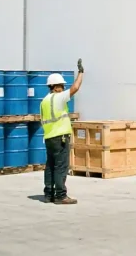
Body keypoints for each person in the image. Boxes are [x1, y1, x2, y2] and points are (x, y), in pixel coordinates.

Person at [41, 59, 84, 205]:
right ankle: (60, 195)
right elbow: (75, 88)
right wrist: (81, 73)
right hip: (61, 138)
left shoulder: (44, 101)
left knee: (50, 166)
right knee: (61, 166)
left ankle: (48, 194)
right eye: (61, 85)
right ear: (55, 86)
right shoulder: (59, 98)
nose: (63, 87)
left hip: (48, 138)